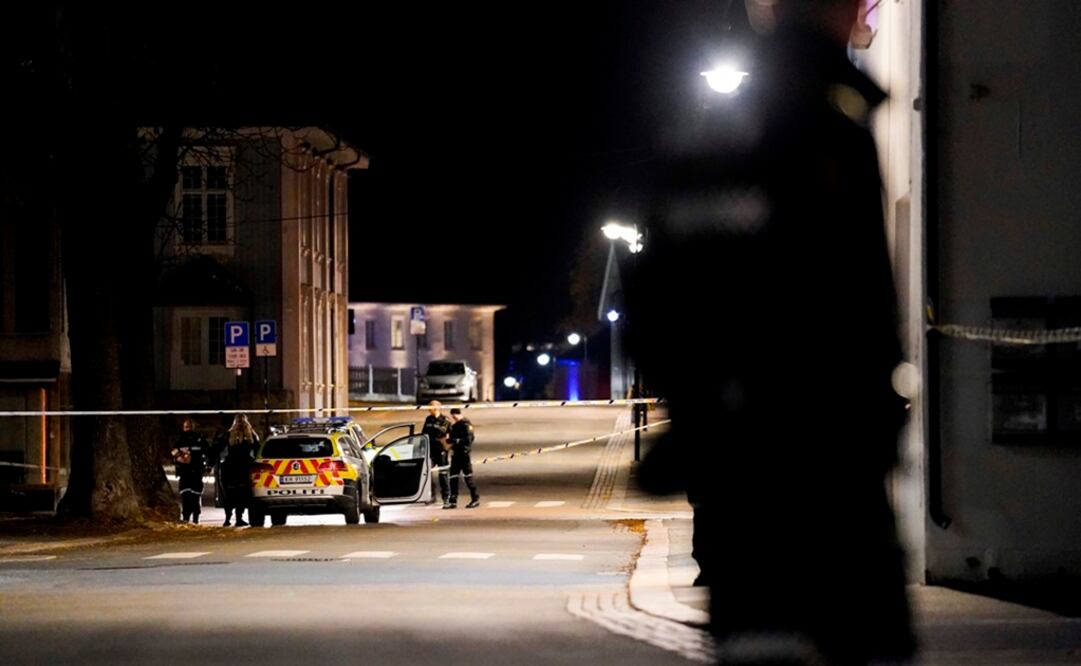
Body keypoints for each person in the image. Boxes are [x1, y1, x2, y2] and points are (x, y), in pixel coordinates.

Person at [629, 1, 915, 663]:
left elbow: (656, 291)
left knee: (763, 643)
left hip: (738, 473)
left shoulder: (699, 131)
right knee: (858, 644)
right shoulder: (822, 119)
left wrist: (696, 414)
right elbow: (855, 302)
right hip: (826, 462)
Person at [220, 413, 258, 527]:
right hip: (244, 467)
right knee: (242, 494)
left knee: (230, 494)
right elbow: (257, 448)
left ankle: (227, 518)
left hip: (230, 467)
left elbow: (218, 448)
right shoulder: (251, 435)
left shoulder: (228, 434)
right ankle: (239, 518)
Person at [172, 418, 208, 524]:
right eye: (186, 427)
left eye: (190, 427)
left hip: (196, 472)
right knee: (185, 496)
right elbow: (173, 452)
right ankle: (186, 517)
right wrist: (179, 458)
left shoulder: (200, 439)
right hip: (184, 472)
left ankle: (196, 518)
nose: (188, 429)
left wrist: (208, 465)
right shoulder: (180, 440)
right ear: (183, 428)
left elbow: (207, 452)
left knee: (195, 496)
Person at [446, 407, 480, 509]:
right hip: (456, 454)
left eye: (455, 416)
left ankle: (475, 499)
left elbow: (468, 440)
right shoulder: (454, 426)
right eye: (452, 416)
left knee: (468, 477)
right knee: (453, 478)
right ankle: (453, 501)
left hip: (464, 455)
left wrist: (455, 440)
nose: (454, 418)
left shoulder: (466, 425)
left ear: (459, 414)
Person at [421, 400, 452, 506]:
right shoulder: (428, 419)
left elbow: (451, 435)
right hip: (430, 450)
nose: (429, 410)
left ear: (436, 408)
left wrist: (447, 446)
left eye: (430, 408)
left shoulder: (445, 420)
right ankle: (431, 496)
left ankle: (446, 497)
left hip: (441, 450)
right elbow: (424, 434)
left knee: (443, 474)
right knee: (427, 473)